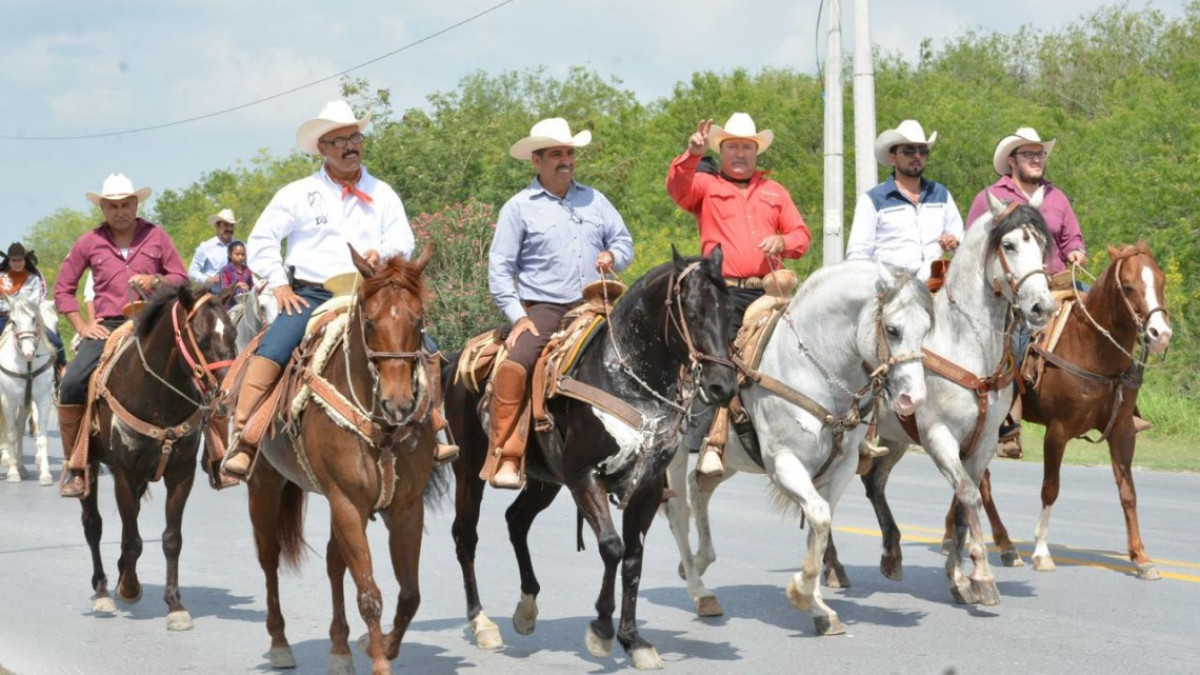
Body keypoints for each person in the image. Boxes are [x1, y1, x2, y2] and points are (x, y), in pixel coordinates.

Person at [222, 100, 455, 478]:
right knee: (274, 348)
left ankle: (435, 427)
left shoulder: (383, 192)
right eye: (339, 140)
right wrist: (279, 284)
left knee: (425, 348)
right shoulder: (298, 193)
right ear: (322, 148)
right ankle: (245, 437)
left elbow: (403, 239)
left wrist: (385, 255)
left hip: (371, 294)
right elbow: (262, 239)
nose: (350, 146)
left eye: (355, 138)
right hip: (312, 294)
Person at [486, 117, 634, 489]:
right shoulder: (519, 207)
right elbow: (500, 269)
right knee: (517, 363)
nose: (566, 160)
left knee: (639, 354)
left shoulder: (595, 199)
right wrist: (518, 316)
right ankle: (508, 451)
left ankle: (648, 456)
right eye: (556, 154)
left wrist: (613, 256)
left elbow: (623, 241)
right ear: (536, 160)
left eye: (569, 153)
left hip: (596, 303)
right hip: (546, 307)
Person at [666, 113, 811, 476]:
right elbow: (678, 188)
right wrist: (692, 155)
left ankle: (831, 425)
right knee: (719, 357)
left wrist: (784, 241)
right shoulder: (705, 185)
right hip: (722, 293)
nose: (741, 154)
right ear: (722, 150)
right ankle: (712, 439)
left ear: (756, 151)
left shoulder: (775, 191)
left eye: (747, 147)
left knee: (808, 346)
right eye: (733, 147)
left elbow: (801, 236)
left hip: (768, 292)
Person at [53, 173, 190, 498]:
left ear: (136, 204)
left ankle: (216, 453)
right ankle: (76, 465)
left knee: (201, 369)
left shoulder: (157, 236)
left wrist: (157, 281)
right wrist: (82, 326)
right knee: (71, 383)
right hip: (110, 327)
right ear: (103, 208)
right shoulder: (89, 242)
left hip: (155, 323)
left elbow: (181, 277)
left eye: (126, 205)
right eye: (112, 206)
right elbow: (63, 289)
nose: (120, 211)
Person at [846, 119, 964, 282]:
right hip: (892, 289)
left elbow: (961, 238)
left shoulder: (941, 194)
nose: (917, 155)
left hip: (936, 285)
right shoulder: (872, 200)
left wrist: (954, 241)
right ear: (892, 158)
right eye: (909, 150)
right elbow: (858, 256)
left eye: (922, 150)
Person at [0, 243, 68, 371]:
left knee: (56, 342)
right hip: (4, 316)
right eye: (14, 260)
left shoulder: (34, 278)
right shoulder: (1, 277)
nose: (17, 263)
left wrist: (21, 308)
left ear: (25, 260)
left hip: (30, 317)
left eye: (20, 260)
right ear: (9, 261)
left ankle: (62, 367)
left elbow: (37, 299)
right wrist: (10, 309)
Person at [188, 208, 238, 293]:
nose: (229, 229)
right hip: (214, 295)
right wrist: (208, 279)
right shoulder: (205, 247)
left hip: (237, 294)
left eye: (231, 225)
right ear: (217, 226)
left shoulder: (241, 246)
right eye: (226, 225)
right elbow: (192, 272)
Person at [217, 240, 254, 308]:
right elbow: (225, 289)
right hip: (230, 306)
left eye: (242, 254)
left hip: (246, 305)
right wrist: (236, 286)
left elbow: (252, 286)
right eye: (237, 254)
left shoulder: (247, 270)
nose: (240, 257)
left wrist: (249, 288)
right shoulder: (226, 270)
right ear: (230, 255)